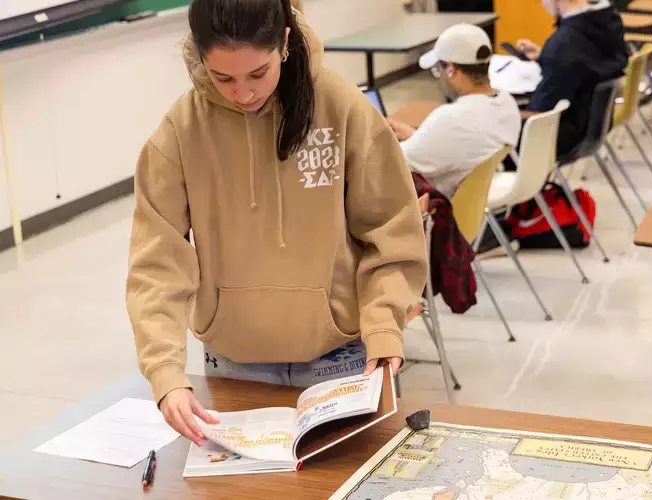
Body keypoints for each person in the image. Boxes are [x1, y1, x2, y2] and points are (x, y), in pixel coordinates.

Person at [126, 0, 427, 445]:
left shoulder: (341, 107)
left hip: (340, 357)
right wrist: (165, 371)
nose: (243, 93)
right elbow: (156, 262)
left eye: (258, 74)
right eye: (222, 77)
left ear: (284, 44)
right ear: (199, 56)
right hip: (233, 359)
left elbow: (390, 229)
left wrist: (385, 326)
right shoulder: (180, 131)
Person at [388, 24, 521, 199]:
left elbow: (394, 163)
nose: (439, 79)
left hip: (443, 206)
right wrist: (417, 136)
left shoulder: (451, 118)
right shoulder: (506, 102)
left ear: (451, 69)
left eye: (438, 70)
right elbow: (461, 144)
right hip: (482, 193)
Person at [515, 0, 628, 158]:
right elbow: (587, 61)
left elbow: (540, 114)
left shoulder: (564, 44)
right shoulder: (607, 19)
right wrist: (545, 56)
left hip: (558, 137)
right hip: (594, 126)